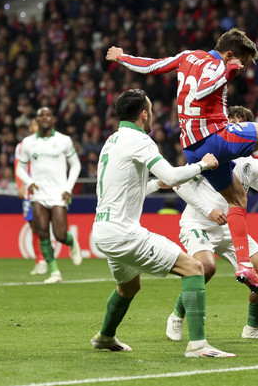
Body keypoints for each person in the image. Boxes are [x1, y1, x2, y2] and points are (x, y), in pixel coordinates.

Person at [106, 28, 258, 295]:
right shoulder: (215, 66)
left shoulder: (188, 56)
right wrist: (228, 73)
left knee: (237, 199)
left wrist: (122, 57)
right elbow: (203, 90)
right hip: (215, 136)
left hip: (192, 146)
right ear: (230, 54)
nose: (243, 67)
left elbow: (154, 66)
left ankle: (243, 264)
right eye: (242, 61)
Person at [90, 89, 234, 358]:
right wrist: (202, 165)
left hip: (103, 230)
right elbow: (171, 172)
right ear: (145, 114)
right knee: (194, 268)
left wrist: (157, 184)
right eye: (151, 109)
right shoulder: (140, 140)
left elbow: (128, 188)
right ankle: (199, 346)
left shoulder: (112, 141)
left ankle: (105, 337)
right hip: (123, 233)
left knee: (129, 286)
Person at [165, 105, 258, 341]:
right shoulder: (209, 151)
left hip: (231, 229)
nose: (232, 129)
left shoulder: (252, 165)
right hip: (199, 223)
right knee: (205, 268)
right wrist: (208, 210)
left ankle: (253, 328)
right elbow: (180, 185)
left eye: (240, 124)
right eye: (230, 123)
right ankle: (176, 316)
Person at [15, 107, 82, 284]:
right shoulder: (28, 143)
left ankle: (71, 241)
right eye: (41, 115)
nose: (44, 118)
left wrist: (68, 187)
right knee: (42, 232)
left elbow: (75, 165)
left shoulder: (64, 140)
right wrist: (29, 182)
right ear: (37, 120)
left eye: (48, 115)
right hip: (38, 194)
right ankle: (54, 272)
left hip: (59, 193)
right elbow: (20, 168)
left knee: (59, 234)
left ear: (53, 119)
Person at [14, 118, 46, 275]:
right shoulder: (22, 146)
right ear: (31, 127)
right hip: (29, 191)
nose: (37, 126)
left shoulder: (48, 144)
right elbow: (17, 165)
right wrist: (20, 184)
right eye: (34, 124)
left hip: (46, 189)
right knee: (34, 226)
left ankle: (46, 258)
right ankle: (40, 260)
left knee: (45, 225)